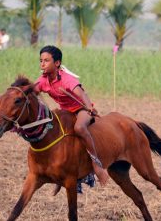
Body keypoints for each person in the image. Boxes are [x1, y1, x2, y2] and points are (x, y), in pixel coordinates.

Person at [34, 45, 109, 186]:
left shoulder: (67, 79)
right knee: (50, 128)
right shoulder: (43, 80)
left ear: (57, 63)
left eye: (46, 60)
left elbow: (82, 94)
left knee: (80, 128)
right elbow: (31, 92)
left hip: (81, 109)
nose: (42, 64)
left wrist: (90, 107)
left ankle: (96, 164)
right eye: (41, 60)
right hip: (65, 112)